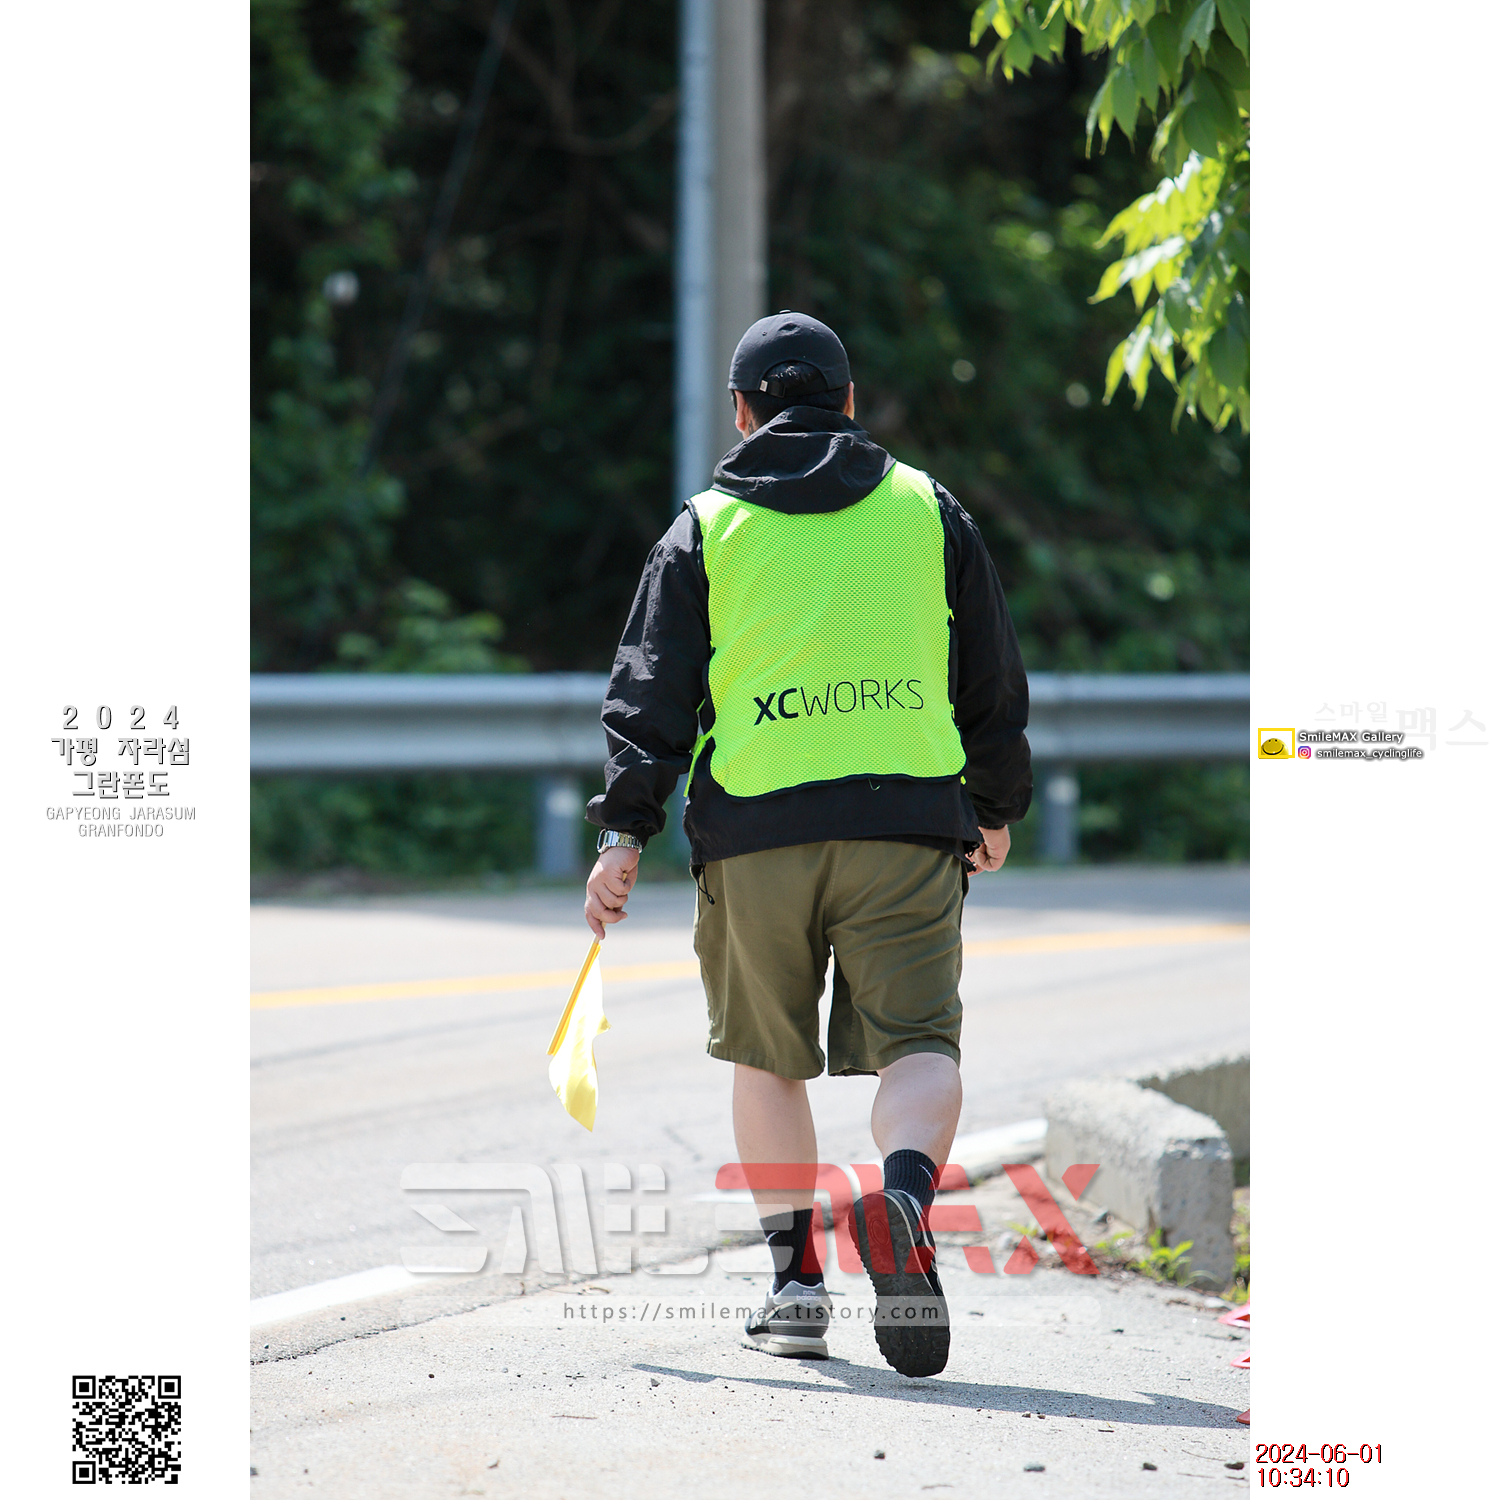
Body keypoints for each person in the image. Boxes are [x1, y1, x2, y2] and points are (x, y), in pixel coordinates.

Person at [583, 311, 1031, 1377]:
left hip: (756, 833)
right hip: (905, 823)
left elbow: (650, 691)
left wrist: (624, 831)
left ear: (741, 411)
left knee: (766, 1059)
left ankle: (795, 1291)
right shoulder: (928, 507)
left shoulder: (705, 527)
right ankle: (904, 1197)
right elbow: (990, 676)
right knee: (920, 1045)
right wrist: (996, 804)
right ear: (850, 403)